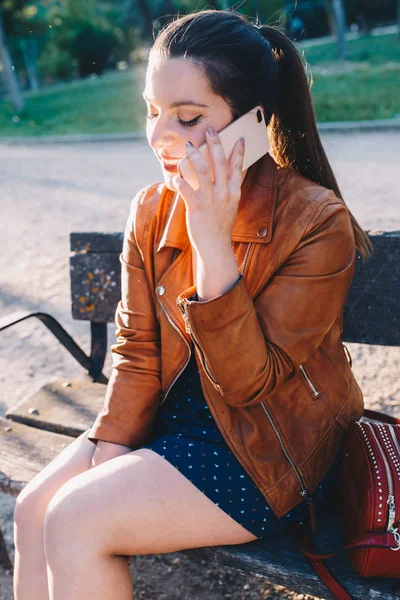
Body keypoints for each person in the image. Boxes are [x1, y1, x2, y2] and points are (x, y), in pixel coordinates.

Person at [13, 9, 371, 600]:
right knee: (35, 509)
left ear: (252, 124)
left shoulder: (316, 223)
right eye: (153, 113)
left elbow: (246, 385)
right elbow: (136, 351)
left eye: (186, 117)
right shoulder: (152, 209)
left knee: (76, 519)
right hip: (167, 423)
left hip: (266, 449)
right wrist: (109, 452)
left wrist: (211, 240)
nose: (159, 137)